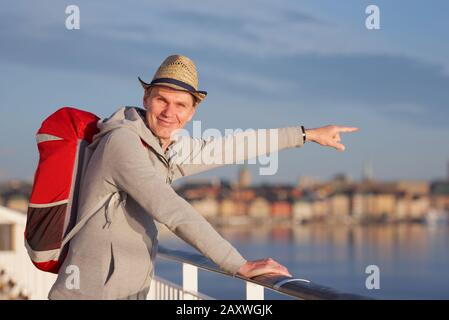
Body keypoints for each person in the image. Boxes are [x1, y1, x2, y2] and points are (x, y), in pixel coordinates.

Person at [48, 55, 359, 300]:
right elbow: (171, 209)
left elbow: (231, 147)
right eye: (161, 100)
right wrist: (237, 264)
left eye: (180, 104)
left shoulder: (162, 149)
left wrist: (306, 134)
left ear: (193, 111)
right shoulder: (122, 143)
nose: (170, 112)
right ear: (145, 98)